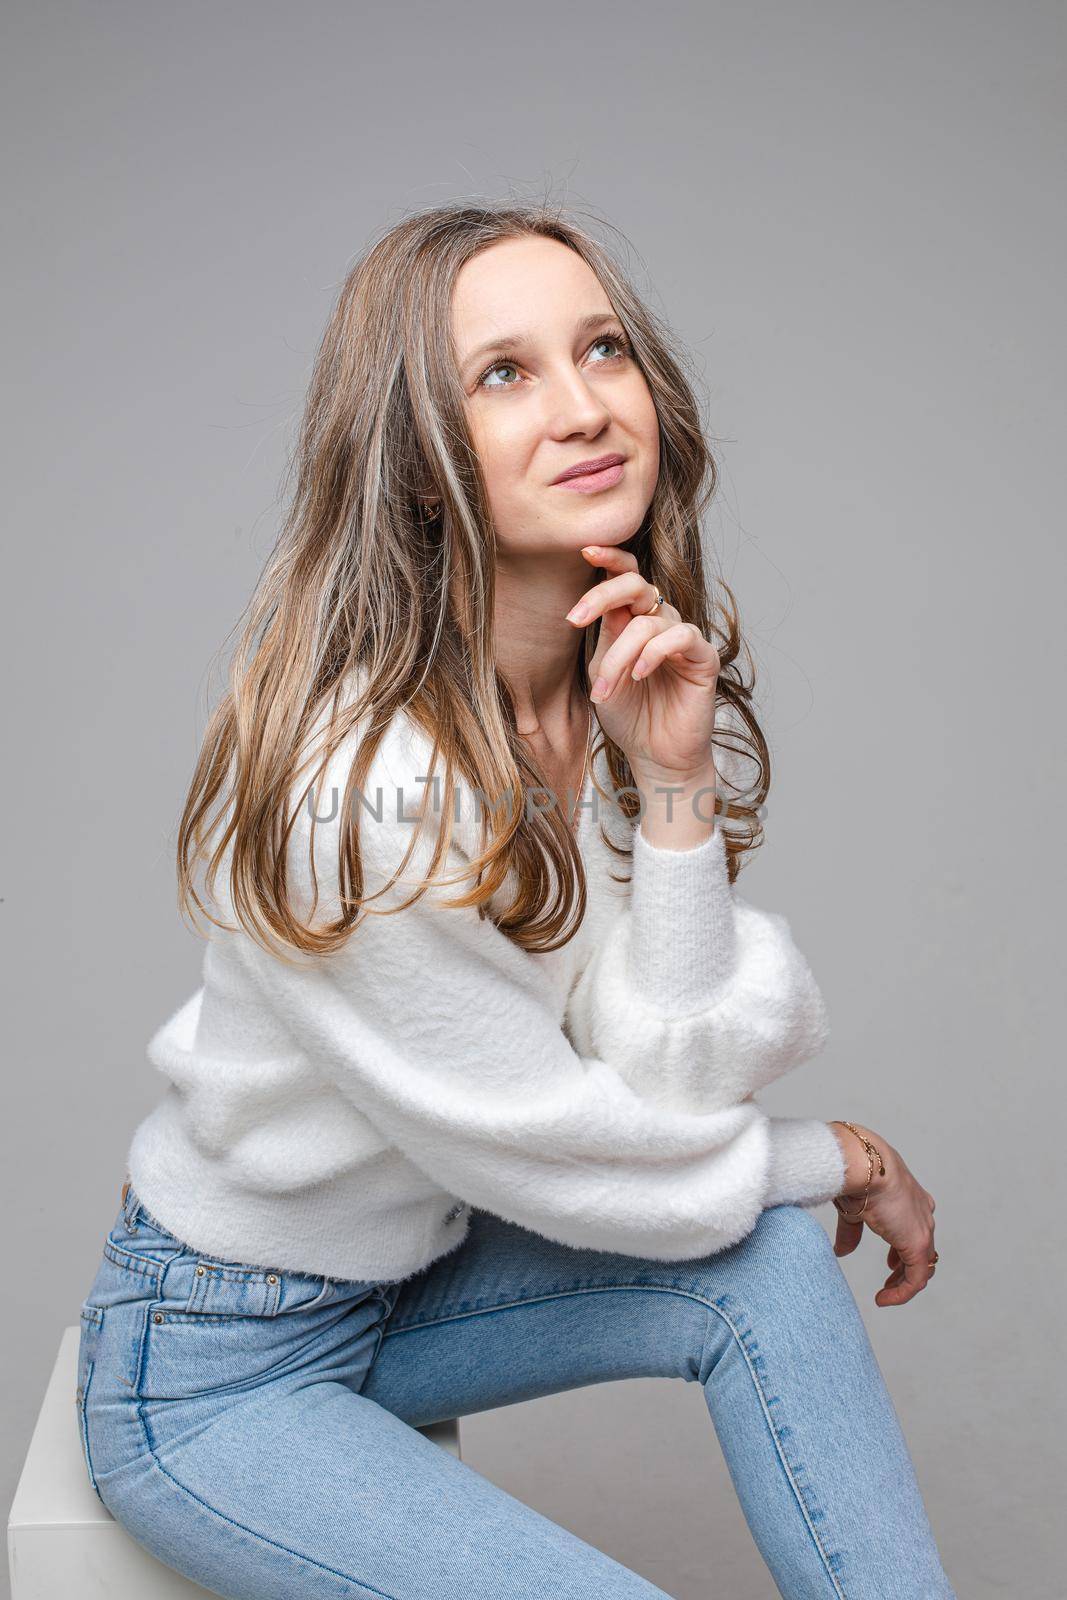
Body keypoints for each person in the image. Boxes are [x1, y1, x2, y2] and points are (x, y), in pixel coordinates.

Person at [75, 202, 955, 1599]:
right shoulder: (366, 790)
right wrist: (836, 1154)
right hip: (217, 1371)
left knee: (771, 1268)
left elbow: (667, 1082)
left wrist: (670, 790)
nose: (584, 407)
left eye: (601, 349)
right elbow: (559, 1154)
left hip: (405, 1281)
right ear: (420, 465)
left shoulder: (582, 693)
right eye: (505, 373)